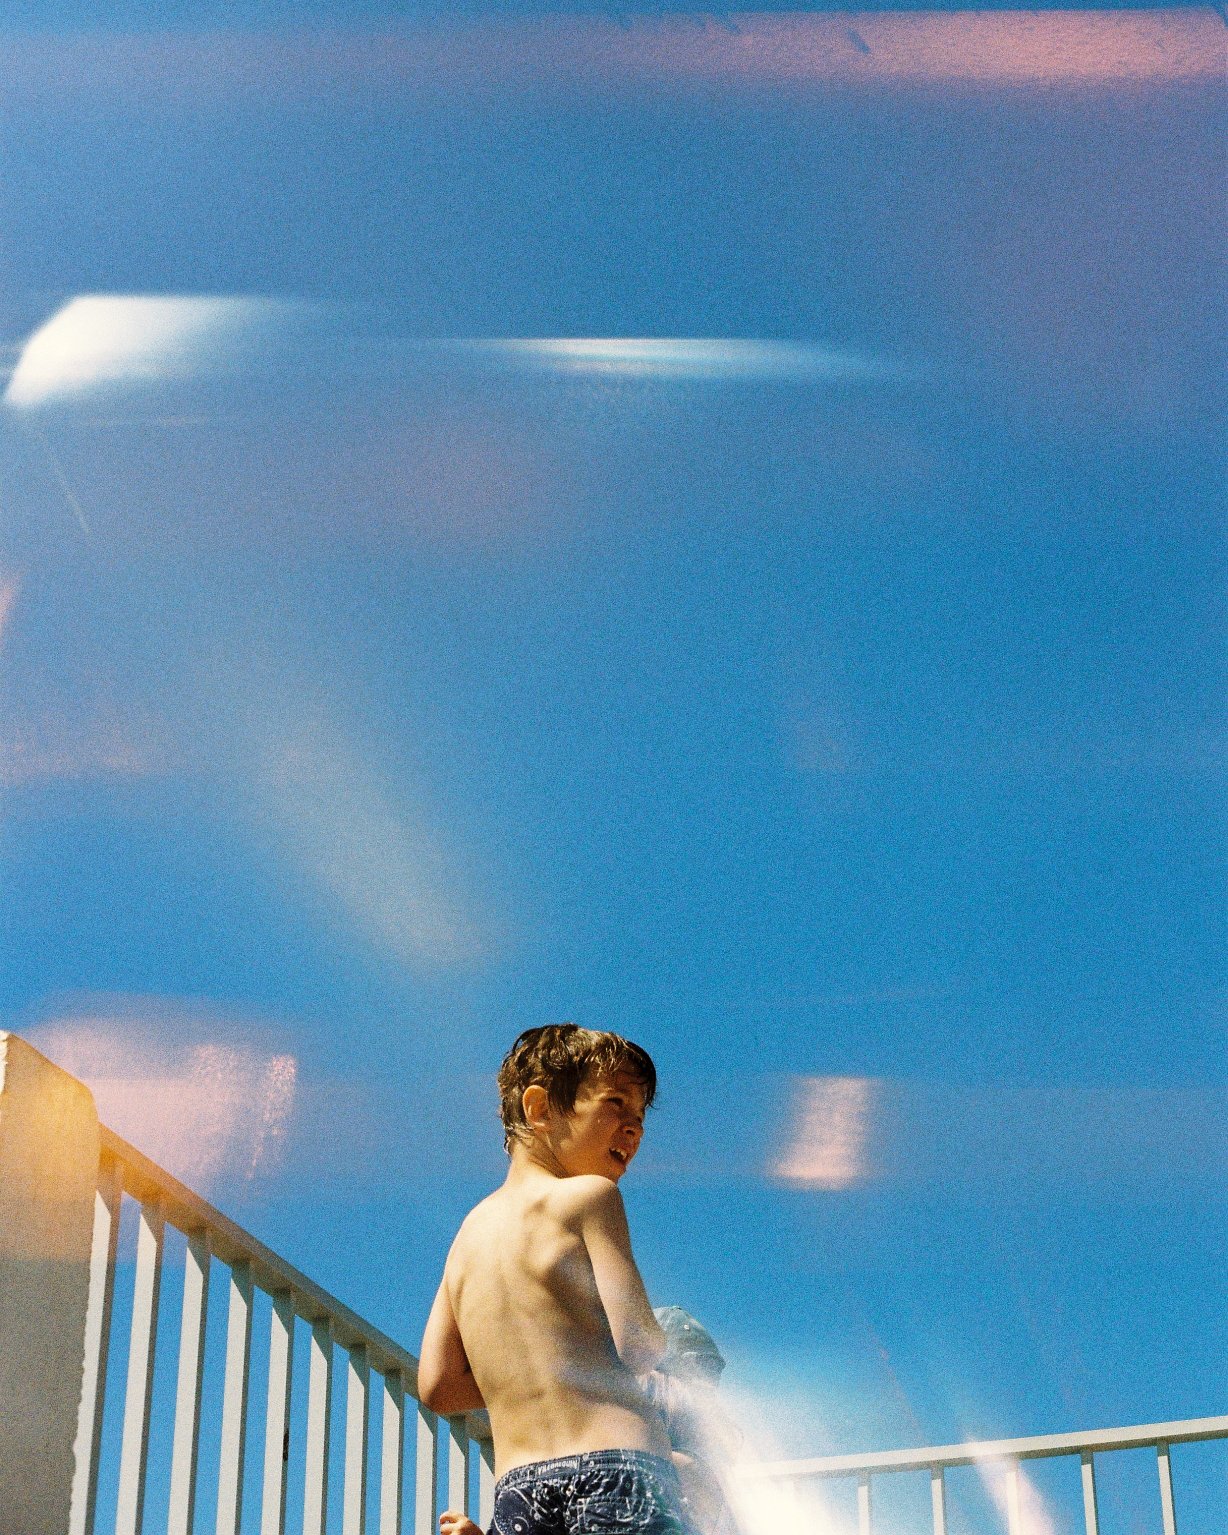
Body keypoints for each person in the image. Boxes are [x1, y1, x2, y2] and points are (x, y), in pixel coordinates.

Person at [419, 1023, 695, 1535]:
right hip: (619, 1471)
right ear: (539, 1107)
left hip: (519, 1489)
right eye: (616, 1103)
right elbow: (637, 1345)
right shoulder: (590, 1197)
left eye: (639, 1118)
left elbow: (438, 1386)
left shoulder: (467, 1236)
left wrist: (534, 1373)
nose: (634, 1129)